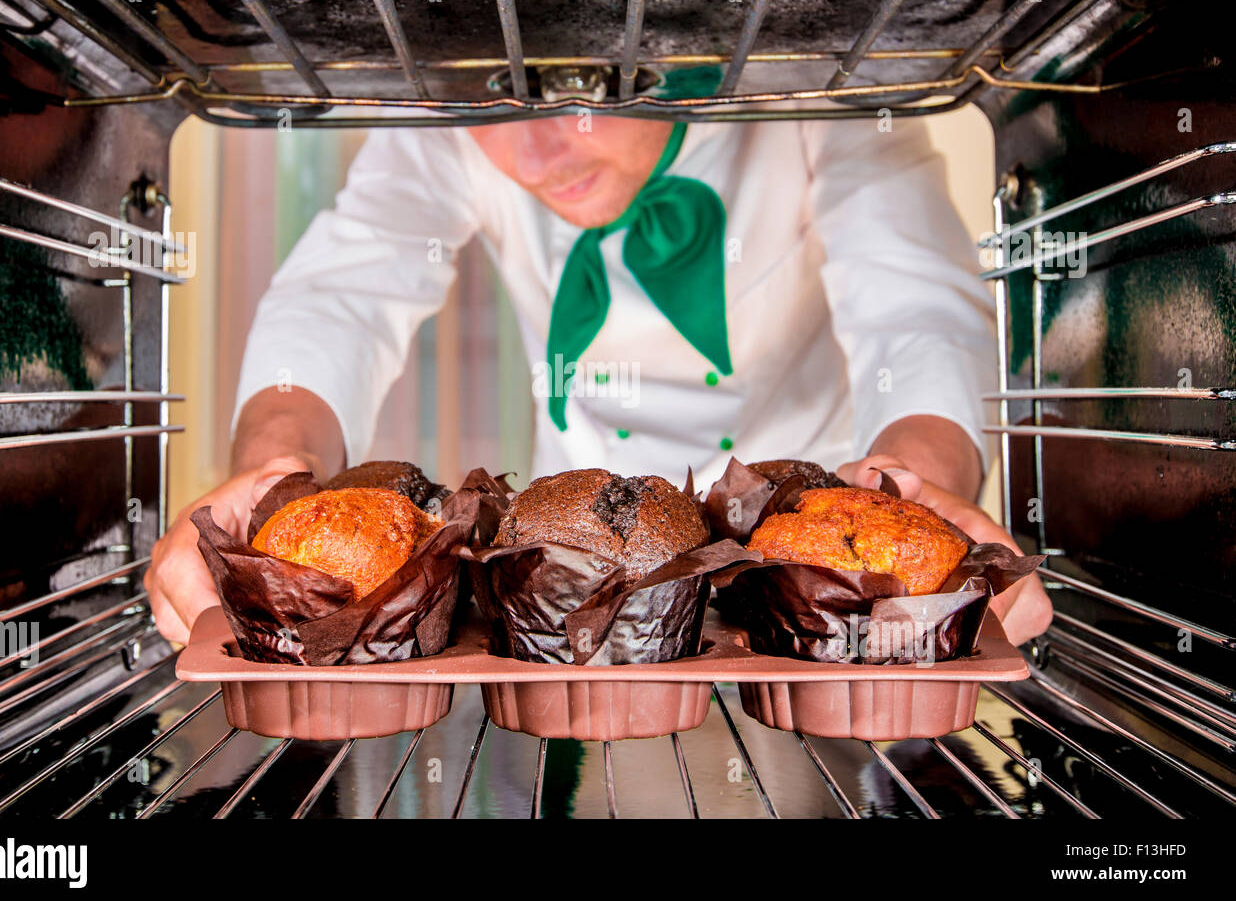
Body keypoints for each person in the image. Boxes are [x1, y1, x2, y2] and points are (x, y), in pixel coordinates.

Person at [147, 66, 1051, 647]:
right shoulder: (450, 107)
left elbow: (917, 308)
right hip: (558, 568)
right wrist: (275, 472)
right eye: (495, 109)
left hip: (790, 573)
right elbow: (337, 297)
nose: (536, 152)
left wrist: (913, 486)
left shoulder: (815, 83)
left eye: (581, 92)